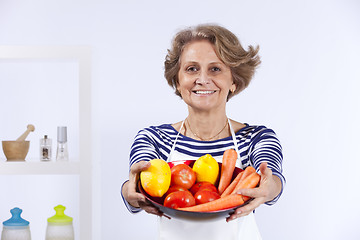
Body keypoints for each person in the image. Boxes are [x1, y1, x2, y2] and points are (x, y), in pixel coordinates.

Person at [121, 24, 285, 240]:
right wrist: (129, 192)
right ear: (178, 81)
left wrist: (268, 187)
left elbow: (272, 181)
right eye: (191, 69)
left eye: (215, 69)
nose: (202, 79)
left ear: (233, 81)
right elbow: (136, 183)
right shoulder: (153, 138)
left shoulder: (257, 138)